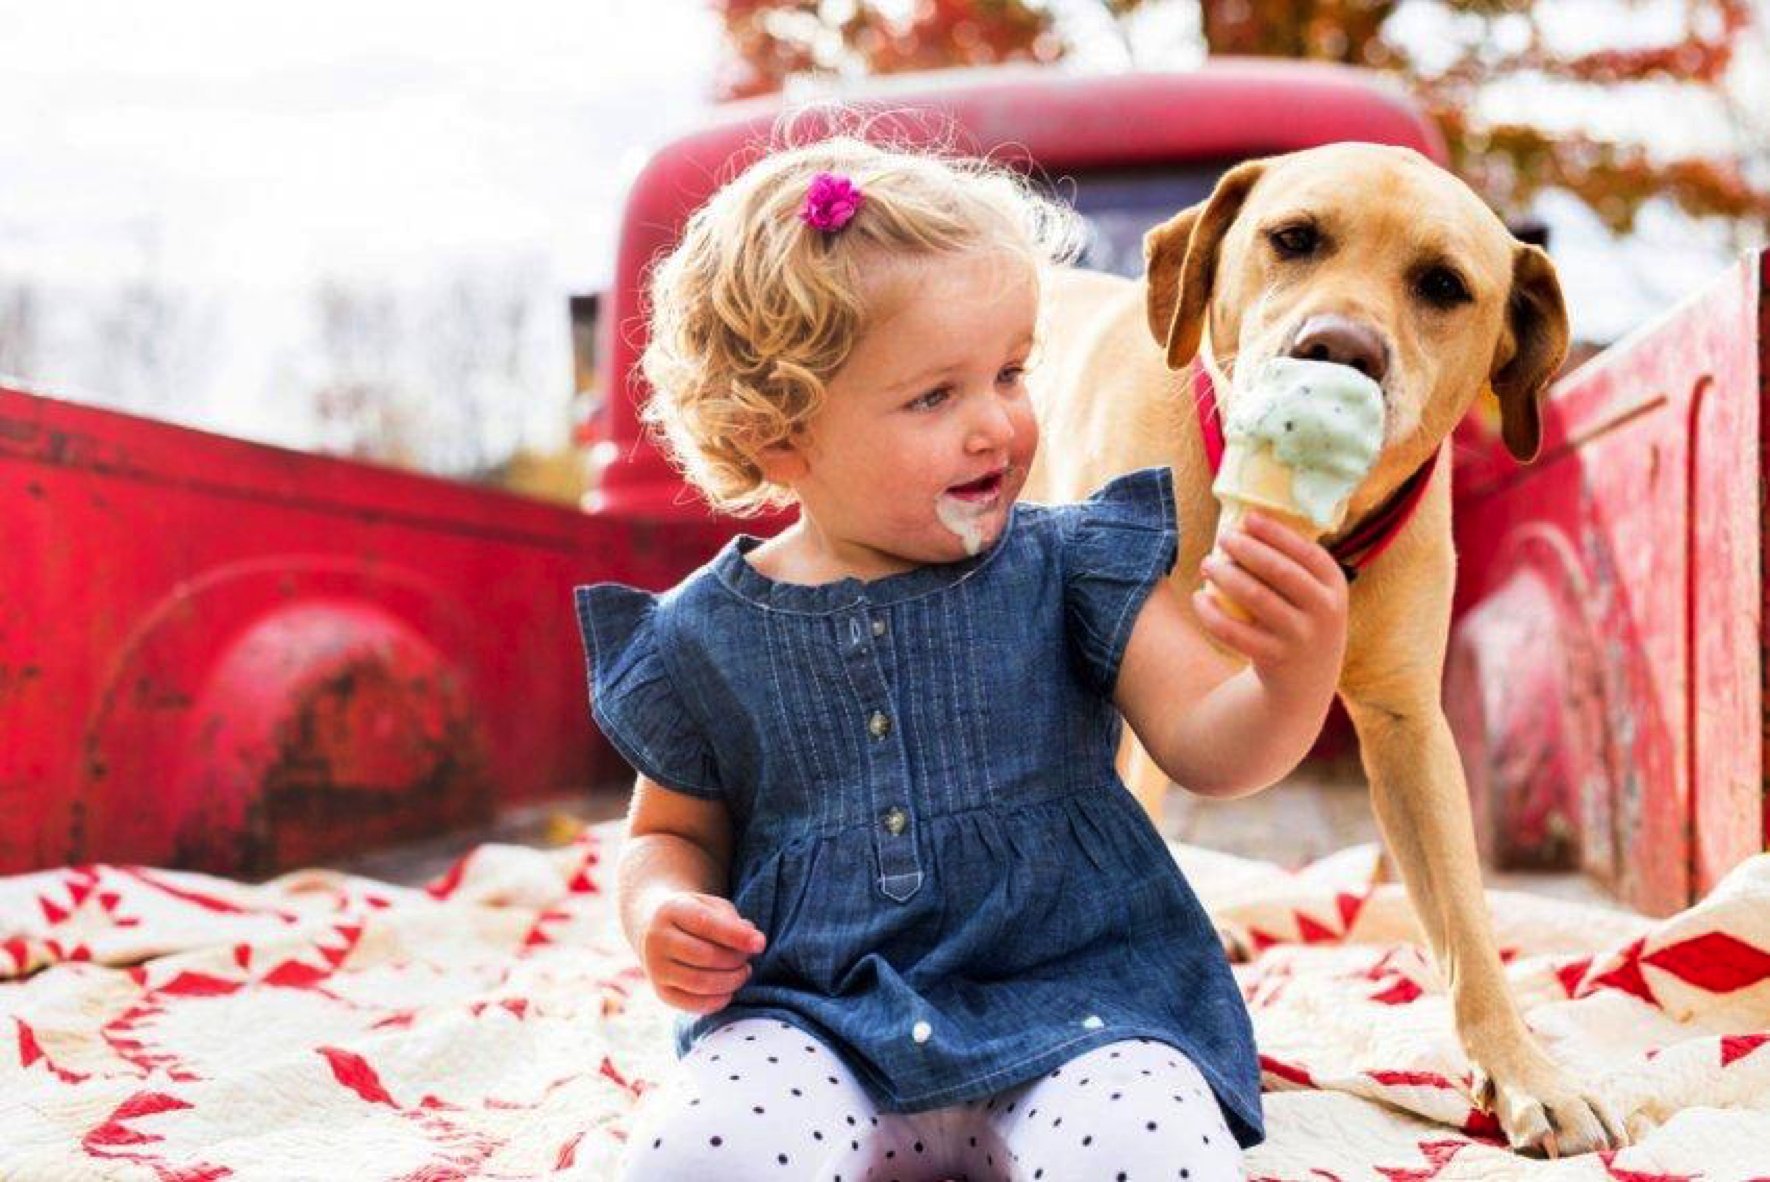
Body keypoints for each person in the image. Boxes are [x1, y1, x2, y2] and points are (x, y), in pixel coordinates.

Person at [575, 128, 1350, 1181]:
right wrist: (661, 910)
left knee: (1152, 1150)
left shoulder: (1073, 562)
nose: (996, 425)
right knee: (694, 1156)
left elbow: (1214, 746)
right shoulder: (703, 636)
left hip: (1083, 1009)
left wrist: (1292, 675)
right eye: (936, 396)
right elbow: (664, 835)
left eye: (1010, 373)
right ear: (780, 436)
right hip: (819, 1021)